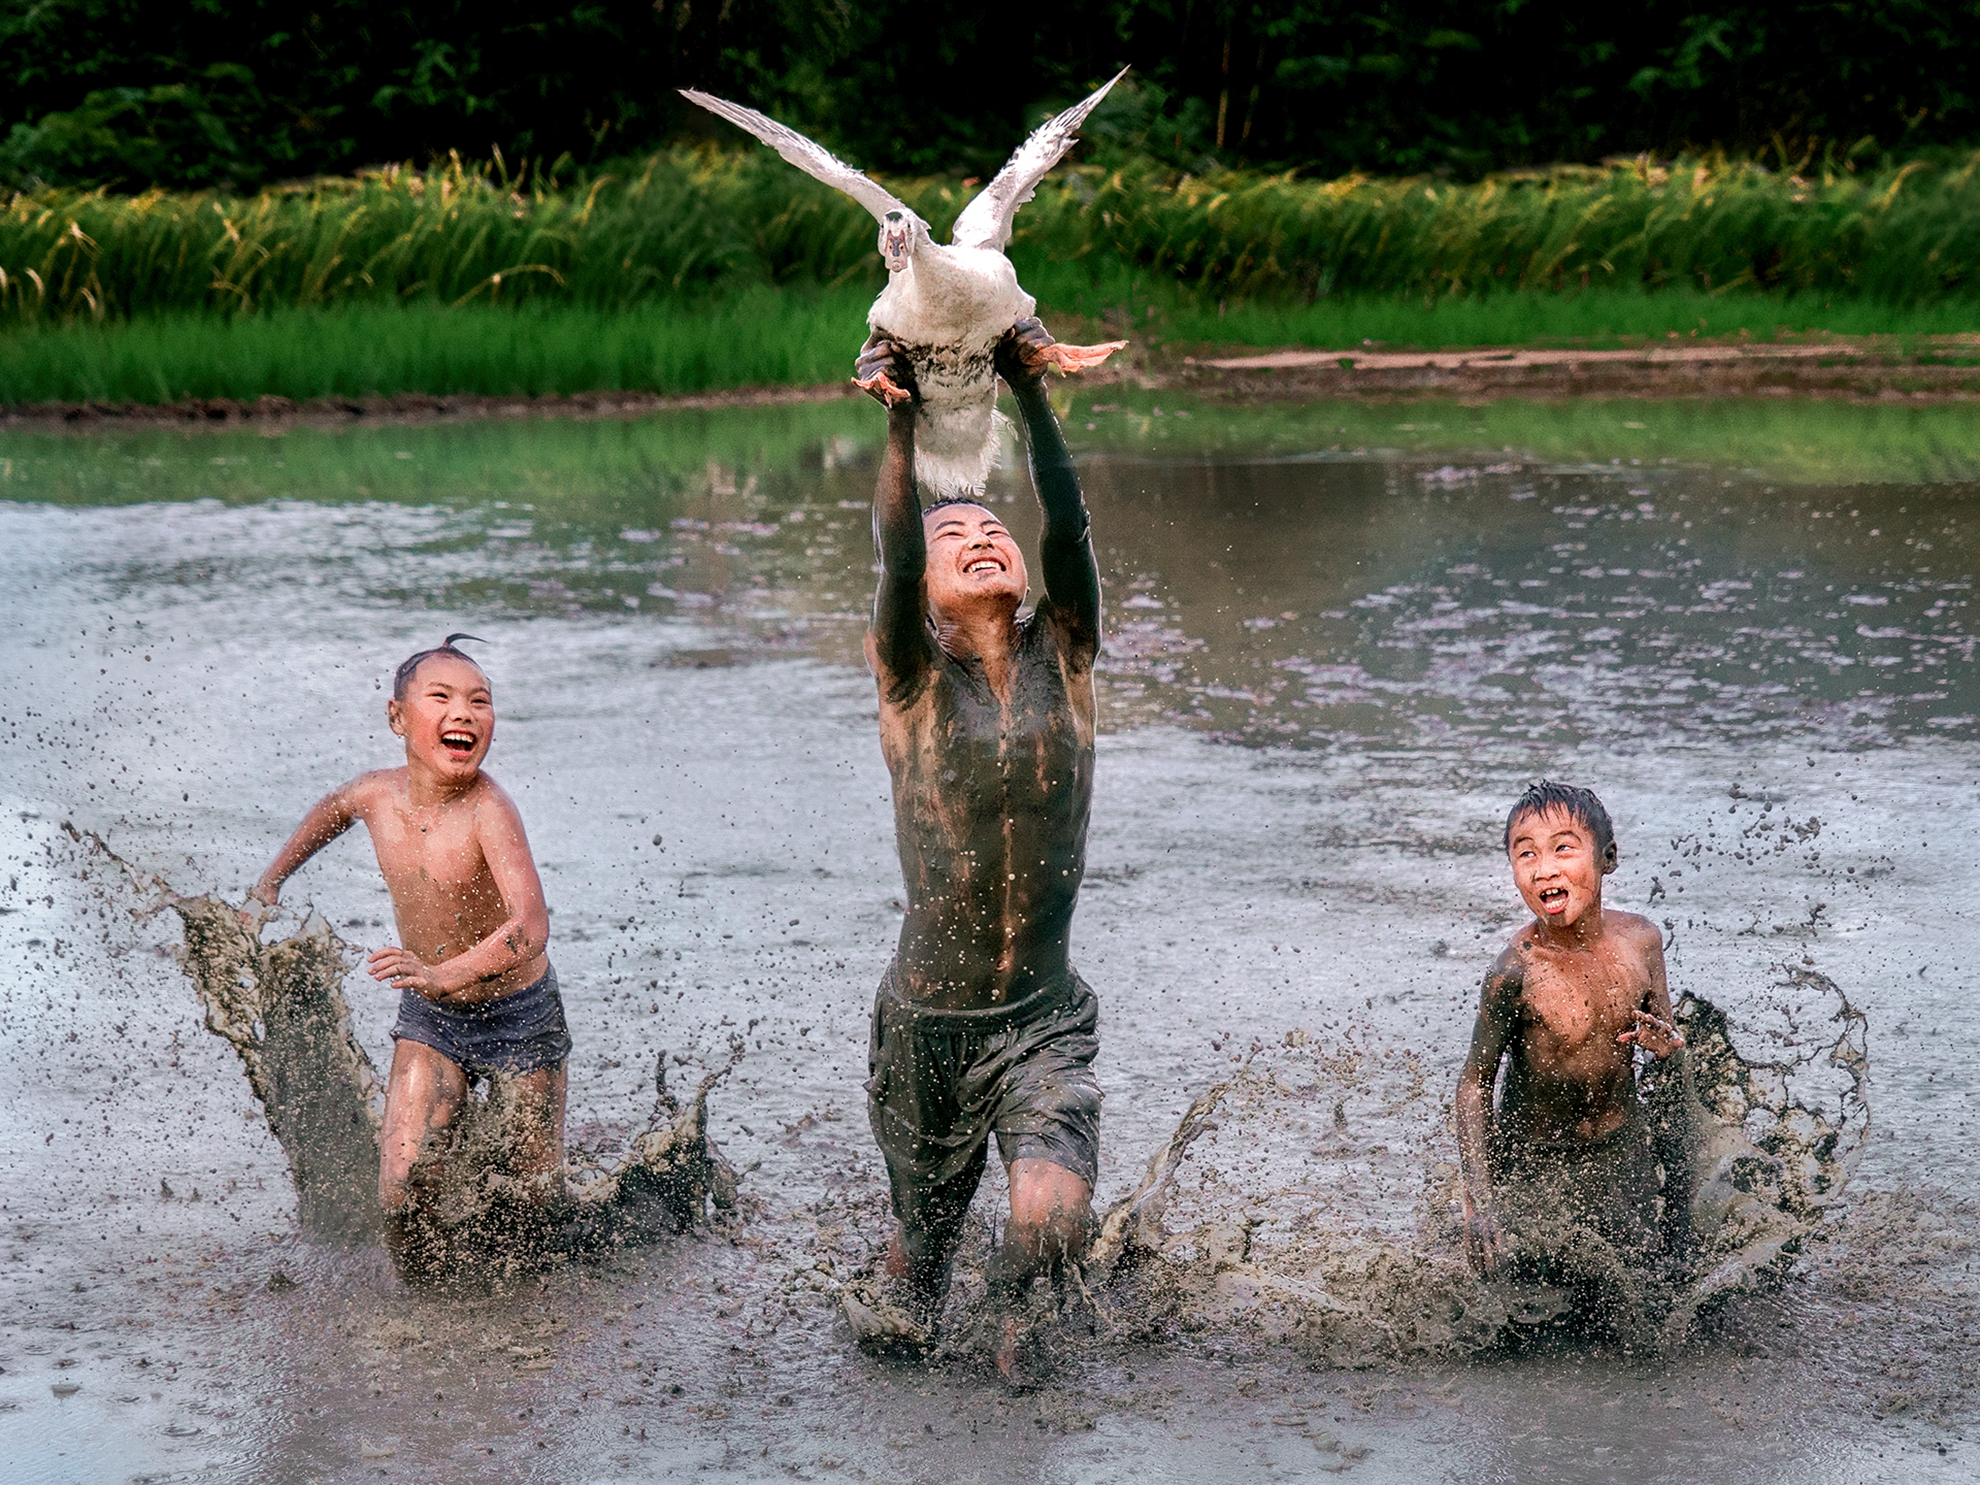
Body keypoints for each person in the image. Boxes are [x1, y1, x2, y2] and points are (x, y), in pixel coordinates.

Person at [849, 318, 1104, 1378]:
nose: (983, 538)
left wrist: (1030, 392)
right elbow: (897, 547)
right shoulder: (910, 677)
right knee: (916, 1281)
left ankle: (1019, 1337)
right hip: (929, 1031)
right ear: (927, 591)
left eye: (991, 527)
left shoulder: (1070, 649)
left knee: (1043, 1226)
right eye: (958, 542)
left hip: (1043, 1015)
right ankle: (924, 1288)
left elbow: (1071, 529)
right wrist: (903, 425)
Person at [247, 635, 570, 1257]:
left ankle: (532, 1317)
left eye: (481, 701)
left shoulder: (489, 809)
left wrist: (450, 972)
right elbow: (331, 810)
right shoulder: (376, 795)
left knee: (536, 1206)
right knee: (401, 1187)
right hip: (434, 1014)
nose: (465, 713)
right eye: (441, 697)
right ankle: (416, 1308)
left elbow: (531, 925)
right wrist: (271, 881)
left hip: (520, 1011)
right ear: (397, 717)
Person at [1454, 781, 1687, 1281]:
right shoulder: (1515, 971)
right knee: (1532, 1308)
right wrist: (1480, 1203)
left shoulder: (1642, 942)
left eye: (1563, 848)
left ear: (1607, 858)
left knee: (1656, 1287)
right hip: (1536, 1166)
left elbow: (1669, 1055)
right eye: (1526, 854)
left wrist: (1668, 1053)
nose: (1544, 868)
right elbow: (1474, 1083)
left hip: (1621, 1154)